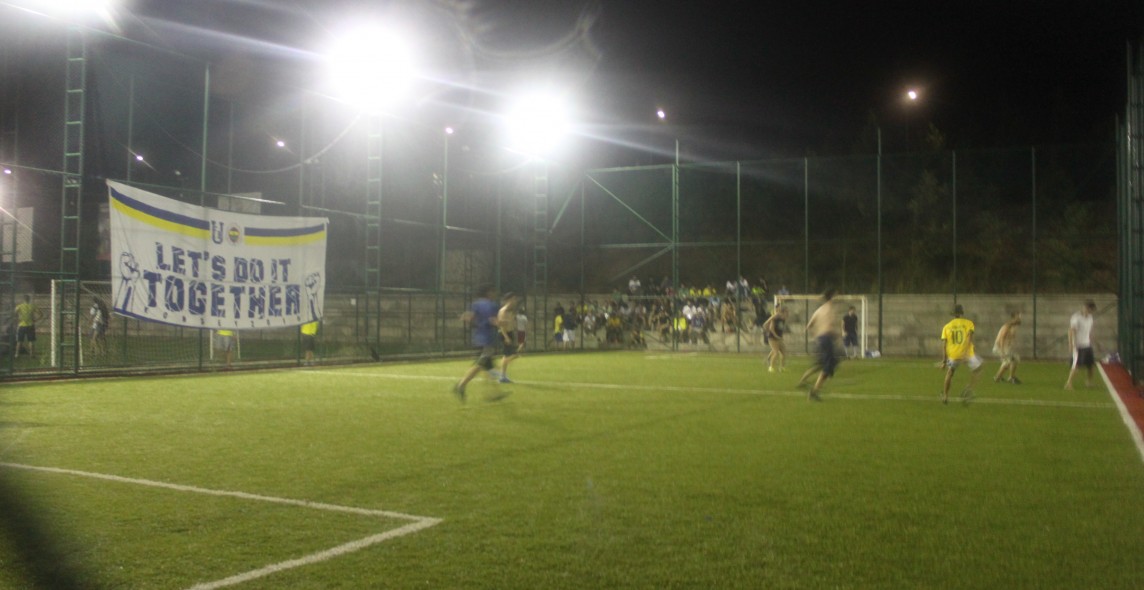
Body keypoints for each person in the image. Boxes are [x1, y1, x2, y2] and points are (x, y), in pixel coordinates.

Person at [454, 284, 502, 401]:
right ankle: (461, 385)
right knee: (480, 364)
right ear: (489, 292)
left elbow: (469, 317)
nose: (495, 294)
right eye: (493, 292)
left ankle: (493, 394)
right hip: (487, 339)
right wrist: (502, 323)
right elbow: (493, 320)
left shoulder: (475, 304)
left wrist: (465, 317)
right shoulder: (492, 305)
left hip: (478, 338)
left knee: (489, 367)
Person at [796, 289, 840, 401]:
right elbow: (830, 325)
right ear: (832, 297)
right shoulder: (830, 309)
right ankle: (814, 391)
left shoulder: (819, 310)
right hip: (827, 339)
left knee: (823, 364)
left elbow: (809, 326)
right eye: (835, 296)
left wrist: (817, 335)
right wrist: (835, 335)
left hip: (821, 340)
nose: (837, 298)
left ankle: (807, 383)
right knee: (828, 366)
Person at [940, 304, 981, 404]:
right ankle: (969, 388)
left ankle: (945, 396)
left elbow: (944, 345)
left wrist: (944, 361)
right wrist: (968, 351)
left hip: (954, 354)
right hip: (967, 353)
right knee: (977, 369)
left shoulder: (946, 326)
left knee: (950, 373)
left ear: (952, 314)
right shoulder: (969, 323)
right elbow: (970, 338)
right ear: (962, 313)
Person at [1065, 300, 1100, 390]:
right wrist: (1071, 344)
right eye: (1089, 309)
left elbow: (1089, 332)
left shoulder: (1090, 318)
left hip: (1087, 345)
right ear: (1085, 308)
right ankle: (1068, 383)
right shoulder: (1076, 318)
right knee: (1076, 365)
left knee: (1091, 365)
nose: (1090, 312)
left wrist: (1095, 342)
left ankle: (1089, 382)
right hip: (1078, 346)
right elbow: (1071, 331)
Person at [496, 292, 522, 383]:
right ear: (508, 300)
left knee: (510, 355)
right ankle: (501, 374)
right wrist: (506, 337)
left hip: (510, 333)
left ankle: (502, 374)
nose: (515, 301)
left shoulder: (512, 310)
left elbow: (512, 322)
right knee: (510, 355)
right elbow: (501, 326)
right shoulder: (503, 311)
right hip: (505, 334)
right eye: (513, 299)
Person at [992, 312, 1022, 384]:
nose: (1019, 318)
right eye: (1018, 317)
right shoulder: (1007, 326)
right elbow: (1002, 338)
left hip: (1006, 347)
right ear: (1013, 318)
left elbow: (1011, 338)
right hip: (1000, 346)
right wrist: (1002, 351)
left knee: (1014, 359)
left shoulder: (1013, 327)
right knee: (1007, 362)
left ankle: (1011, 377)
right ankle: (997, 377)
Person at [762, 304, 788, 373]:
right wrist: (776, 336)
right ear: (782, 312)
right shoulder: (776, 319)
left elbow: (780, 329)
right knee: (776, 352)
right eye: (786, 312)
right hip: (773, 338)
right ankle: (771, 367)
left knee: (783, 353)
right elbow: (771, 328)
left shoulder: (783, 319)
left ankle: (782, 368)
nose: (787, 313)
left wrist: (780, 336)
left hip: (779, 338)